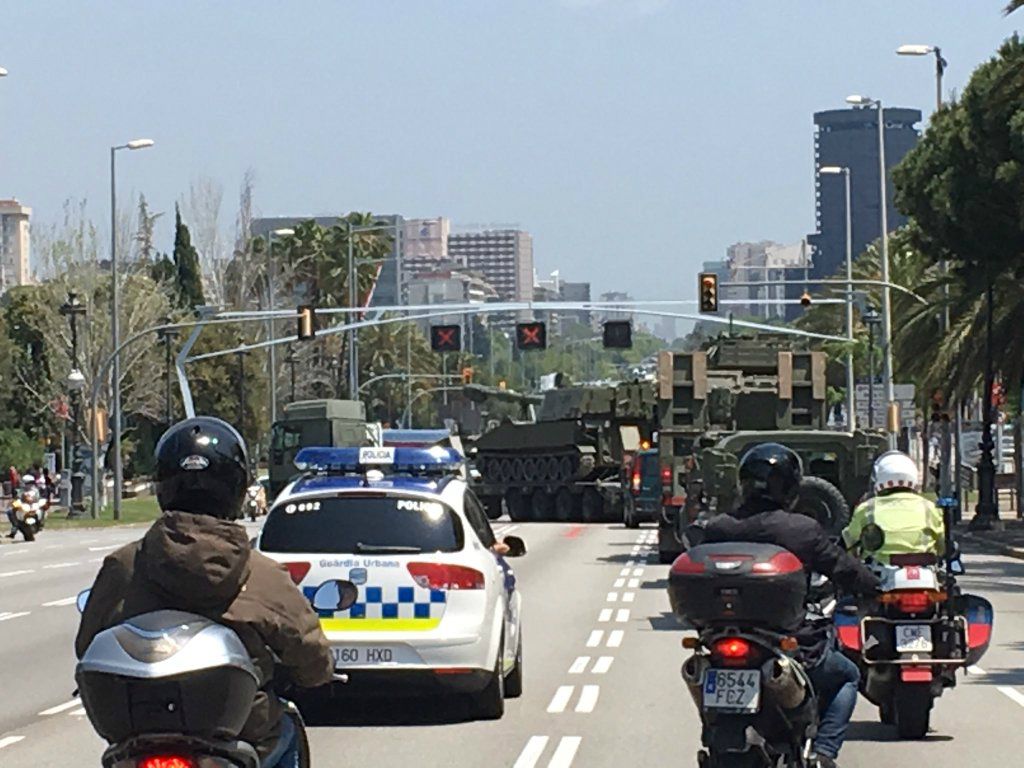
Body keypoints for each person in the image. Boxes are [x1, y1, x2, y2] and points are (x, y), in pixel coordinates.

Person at [75, 417, 334, 766]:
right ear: (237, 487)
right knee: (285, 727)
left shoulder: (124, 565)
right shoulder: (263, 575)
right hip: (242, 733)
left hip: (139, 732)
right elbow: (311, 655)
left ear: (164, 485)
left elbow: (87, 644)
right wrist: (310, 675)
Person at [701, 443, 880, 768]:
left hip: (721, 637)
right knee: (847, 676)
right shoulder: (802, 529)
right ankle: (823, 754)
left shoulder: (718, 529)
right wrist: (874, 588)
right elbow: (846, 570)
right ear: (790, 486)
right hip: (787, 643)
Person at [843, 450, 945, 564]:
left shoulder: (867, 508)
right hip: (924, 570)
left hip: (880, 571)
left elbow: (850, 539)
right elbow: (942, 545)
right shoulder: (929, 507)